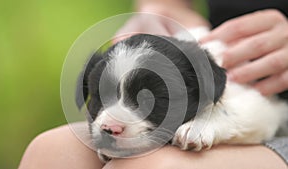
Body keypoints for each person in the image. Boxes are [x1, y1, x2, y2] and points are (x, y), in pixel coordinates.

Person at [18, 0, 288, 168]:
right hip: (215, 41)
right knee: (50, 152)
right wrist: (161, 10)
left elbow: (266, 117)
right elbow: (169, 5)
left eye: (146, 99)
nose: (109, 122)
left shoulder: (220, 81)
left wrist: (214, 124)